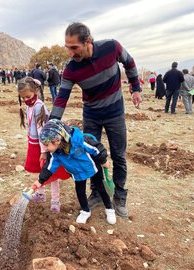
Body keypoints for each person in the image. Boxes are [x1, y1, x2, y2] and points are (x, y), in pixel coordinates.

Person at [49, 22, 142, 217]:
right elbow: (62, 97)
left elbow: (130, 62)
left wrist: (135, 87)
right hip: (91, 115)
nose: (70, 52)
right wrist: (52, 123)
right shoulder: (72, 68)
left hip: (115, 113)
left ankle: (119, 194)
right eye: (68, 47)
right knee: (89, 154)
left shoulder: (111, 47)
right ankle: (97, 193)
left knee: (118, 154)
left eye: (74, 47)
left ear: (88, 41)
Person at [34, 119, 116, 224]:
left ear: (57, 140)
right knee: (80, 192)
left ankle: (109, 208)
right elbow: (49, 167)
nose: (46, 147)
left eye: (47, 144)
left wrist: (103, 160)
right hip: (77, 174)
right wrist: (40, 181)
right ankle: (85, 211)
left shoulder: (80, 141)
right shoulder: (56, 154)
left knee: (101, 188)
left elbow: (97, 148)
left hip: (92, 168)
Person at [18, 77, 69, 212]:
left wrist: (44, 151)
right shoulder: (30, 106)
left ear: (36, 90)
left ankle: (55, 201)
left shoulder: (39, 107)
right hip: (34, 145)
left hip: (43, 147)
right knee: (38, 171)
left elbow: (43, 131)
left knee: (51, 174)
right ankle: (40, 195)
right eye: (23, 98)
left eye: (28, 96)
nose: (26, 100)